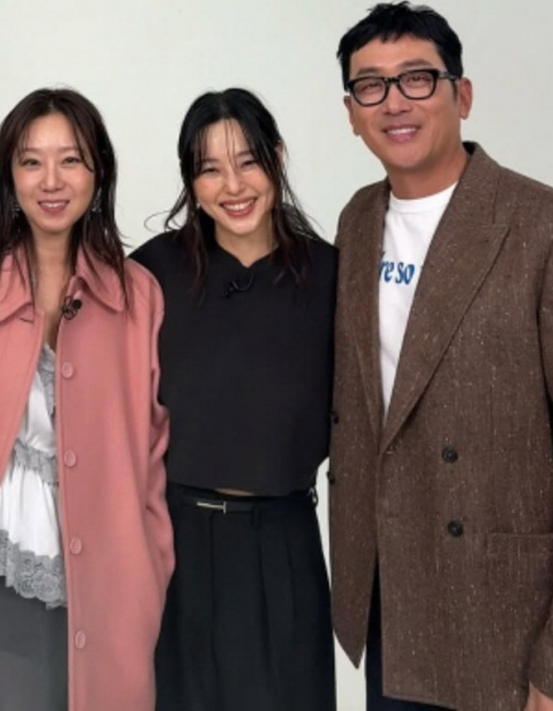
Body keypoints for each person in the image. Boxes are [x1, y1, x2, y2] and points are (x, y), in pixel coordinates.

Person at [329, 1, 553, 710]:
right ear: (351, 113)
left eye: (417, 78)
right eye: (371, 86)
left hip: (512, 618)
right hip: (395, 605)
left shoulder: (547, 228)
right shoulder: (358, 222)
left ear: (462, 94)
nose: (394, 102)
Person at [0, 88, 172, 711]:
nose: (51, 181)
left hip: (108, 591)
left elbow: (152, 456)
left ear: (98, 171)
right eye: (31, 161)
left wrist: (149, 572)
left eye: (71, 160)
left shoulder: (139, 297)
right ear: (9, 175)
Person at [132, 88, 337, 711]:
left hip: (285, 538)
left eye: (248, 162)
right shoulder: (151, 273)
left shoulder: (332, 274)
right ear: (190, 181)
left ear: (277, 157)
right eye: (210, 169)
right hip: (176, 542)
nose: (233, 186)